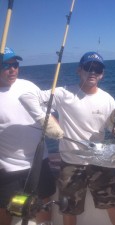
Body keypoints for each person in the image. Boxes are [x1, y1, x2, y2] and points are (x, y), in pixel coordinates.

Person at [20, 51, 115, 225]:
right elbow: (27, 97)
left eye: (97, 69)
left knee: (112, 205)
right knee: (68, 209)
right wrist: (45, 121)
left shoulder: (108, 100)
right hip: (70, 164)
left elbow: (113, 132)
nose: (92, 72)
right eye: (88, 67)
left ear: (102, 74)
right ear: (79, 70)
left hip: (99, 162)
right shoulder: (63, 93)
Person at [0, 47, 56, 225]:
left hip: (39, 161)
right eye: (6, 65)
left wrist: (55, 127)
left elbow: (49, 112)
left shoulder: (28, 86)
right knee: (7, 208)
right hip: (9, 168)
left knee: (43, 203)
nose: (12, 69)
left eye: (15, 65)